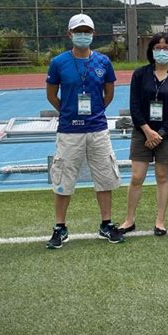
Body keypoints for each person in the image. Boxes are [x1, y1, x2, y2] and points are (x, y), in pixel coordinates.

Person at [45, 13, 124, 249]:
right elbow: (51, 95)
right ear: (69, 34)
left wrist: (96, 112)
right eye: (78, 31)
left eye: (86, 31)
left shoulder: (103, 62)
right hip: (69, 130)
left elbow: (109, 93)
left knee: (104, 177)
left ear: (93, 33)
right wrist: (69, 112)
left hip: (98, 129)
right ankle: (60, 227)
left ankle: (106, 224)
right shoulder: (58, 62)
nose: (83, 35)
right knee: (63, 179)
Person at [119, 32, 168, 236]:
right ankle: (129, 219)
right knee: (137, 176)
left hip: (167, 134)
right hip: (142, 132)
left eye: (167, 48)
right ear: (151, 50)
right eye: (158, 47)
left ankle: (160, 221)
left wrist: (161, 134)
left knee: (162, 176)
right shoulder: (140, 74)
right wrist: (147, 131)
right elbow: (135, 105)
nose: (162, 51)